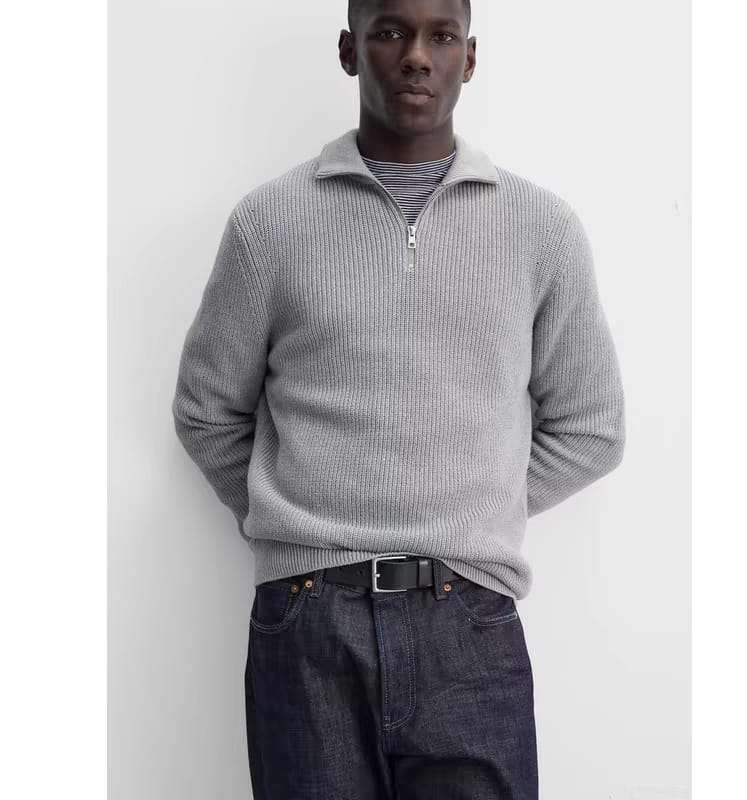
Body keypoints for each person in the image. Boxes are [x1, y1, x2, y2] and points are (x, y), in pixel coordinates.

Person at [171, 0, 625, 797]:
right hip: (308, 619)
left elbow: (592, 427)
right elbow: (207, 409)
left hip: (470, 623)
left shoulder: (542, 229)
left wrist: (475, 502)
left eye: (441, 36)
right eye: (389, 32)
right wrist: (295, 508)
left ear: (469, 59)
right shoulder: (269, 224)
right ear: (350, 51)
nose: (416, 55)